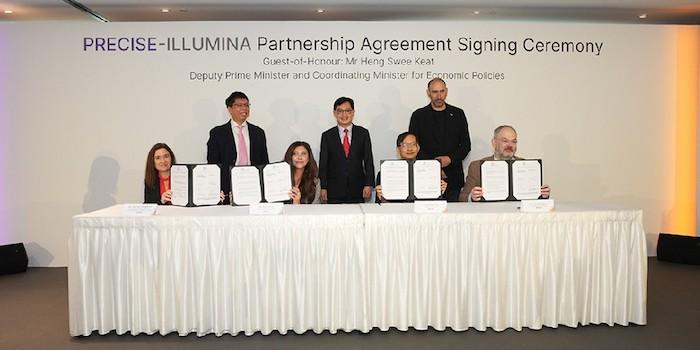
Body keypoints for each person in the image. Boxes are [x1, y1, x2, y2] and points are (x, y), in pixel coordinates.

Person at [409, 78, 471, 202]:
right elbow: (414, 146)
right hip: (425, 178)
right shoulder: (418, 116)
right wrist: (434, 167)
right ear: (428, 93)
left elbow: (465, 145)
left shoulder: (458, 114)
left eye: (442, 91)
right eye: (435, 92)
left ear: (446, 91)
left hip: (453, 178)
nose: (439, 96)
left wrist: (450, 159)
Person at [460, 125, 551, 202]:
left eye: (514, 141)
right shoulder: (476, 166)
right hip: (491, 217)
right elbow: (462, 198)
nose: (510, 145)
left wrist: (543, 195)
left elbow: (534, 199)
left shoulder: (526, 165)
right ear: (494, 143)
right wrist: (472, 197)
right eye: (505, 141)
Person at [207, 91, 269, 203]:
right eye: (239, 105)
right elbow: (213, 163)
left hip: (253, 186)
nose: (244, 109)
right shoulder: (217, 133)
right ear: (230, 109)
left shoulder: (258, 132)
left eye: (246, 105)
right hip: (227, 189)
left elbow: (264, 162)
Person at [319, 97, 375, 203]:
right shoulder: (327, 136)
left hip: (358, 189)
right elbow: (323, 164)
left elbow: (368, 160)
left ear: (353, 112)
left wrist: (368, 184)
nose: (344, 115)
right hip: (334, 190)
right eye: (340, 111)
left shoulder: (363, 133)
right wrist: (323, 187)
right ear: (334, 113)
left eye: (348, 111)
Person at [375, 132, 447, 203]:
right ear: (398, 149)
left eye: (413, 144)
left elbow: (437, 204)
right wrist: (381, 197)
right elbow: (381, 207)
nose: (410, 148)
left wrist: (440, 191)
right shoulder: (384, 174)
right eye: (405, 145)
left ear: (418, 148)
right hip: (398, 212)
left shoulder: (432, 171)